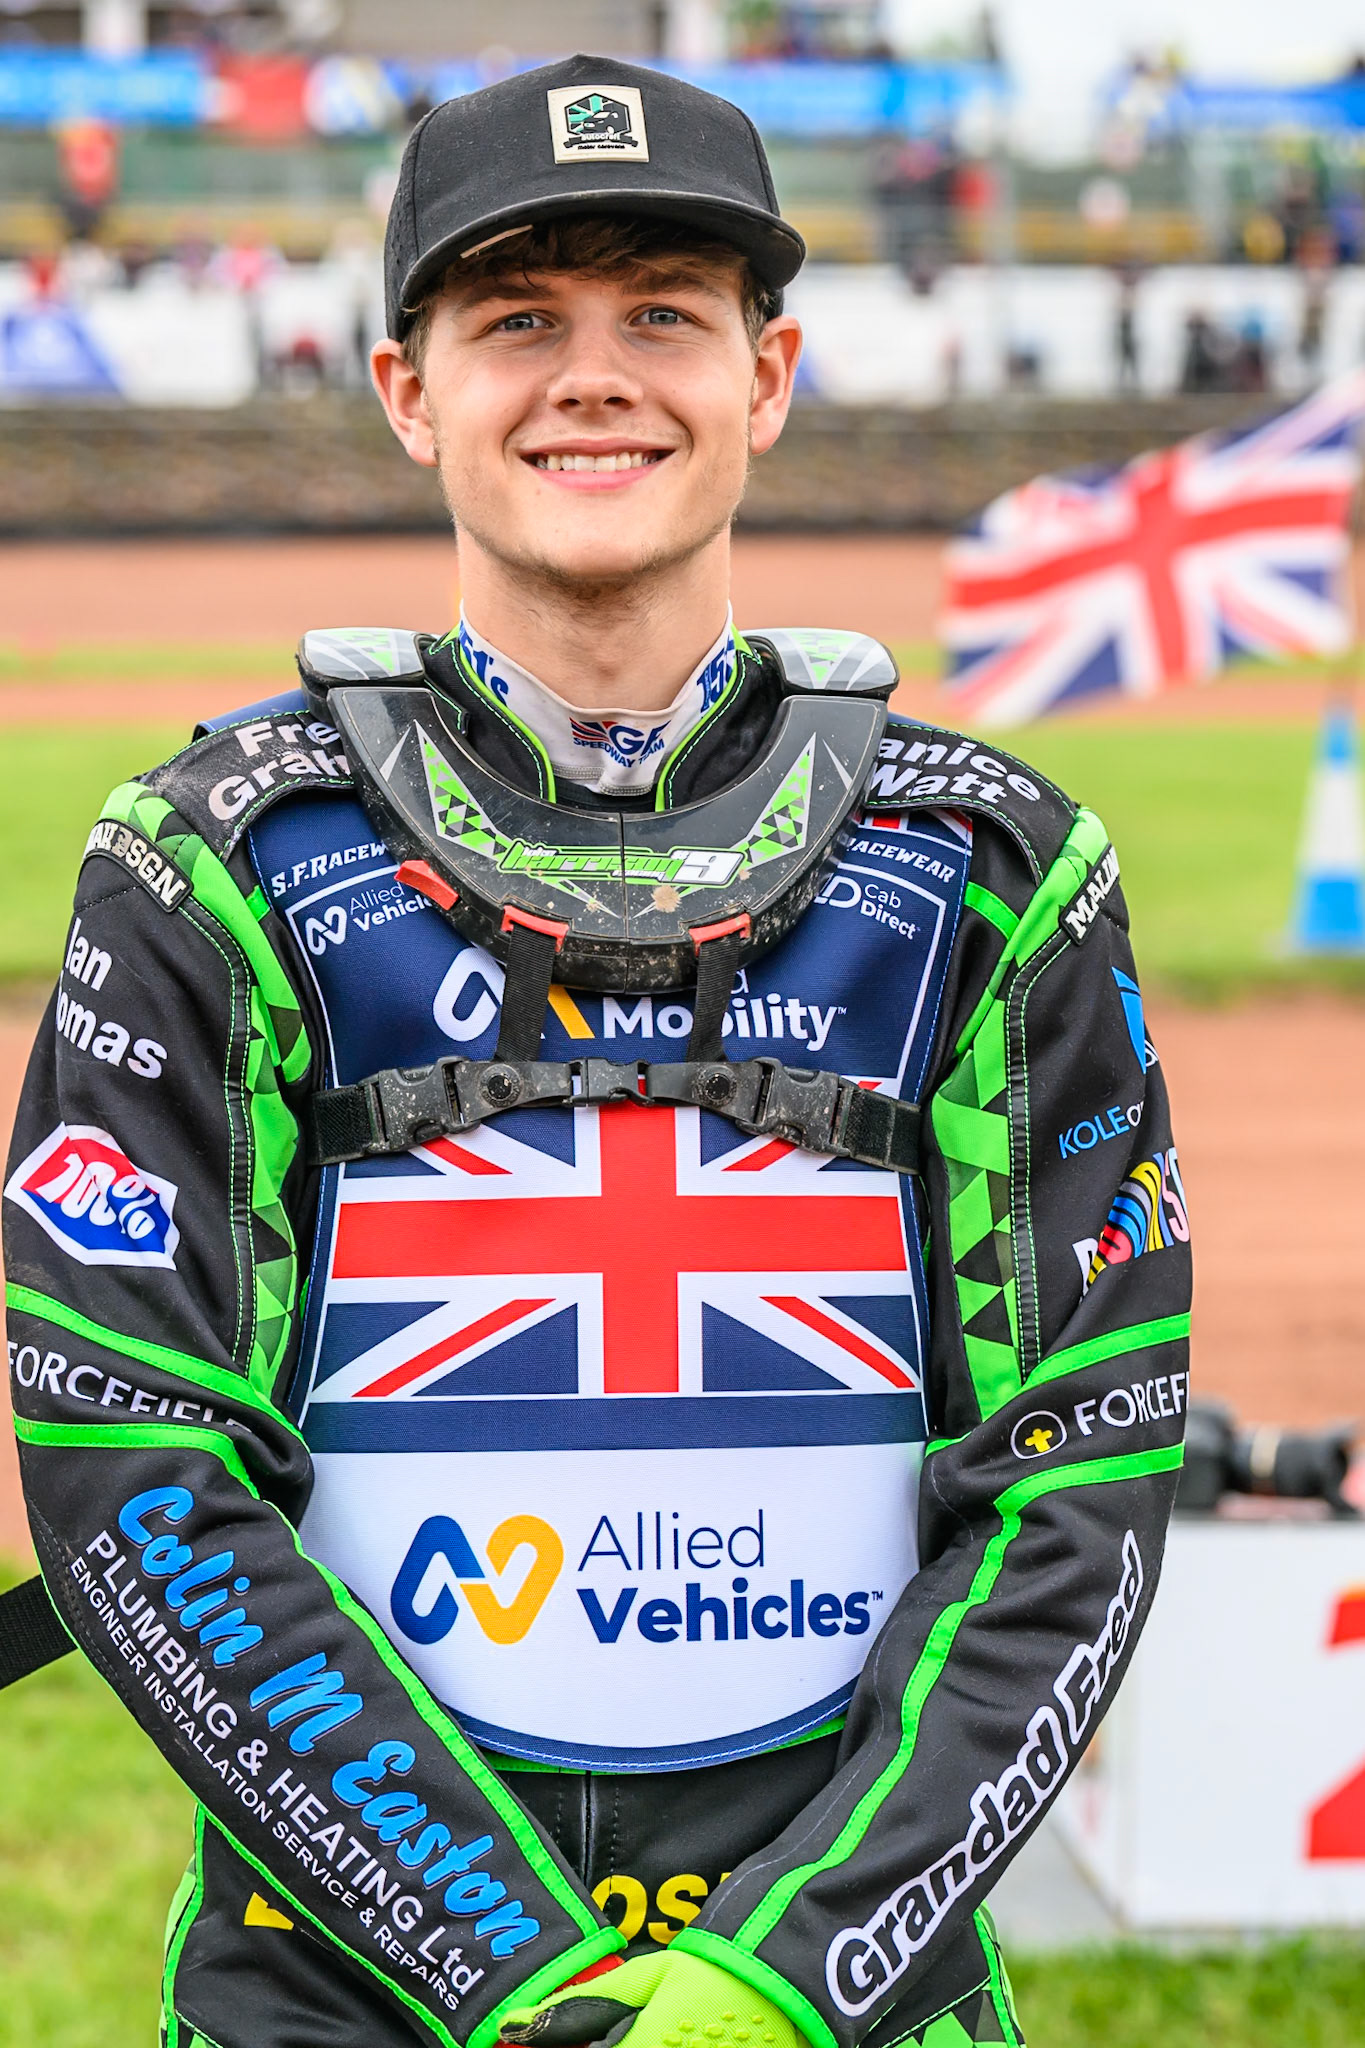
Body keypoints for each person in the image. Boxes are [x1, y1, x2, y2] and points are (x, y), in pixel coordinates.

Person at [3, 54, 1190, 2048]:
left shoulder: (993, 870)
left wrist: (783, 1981)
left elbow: (1079, 1487)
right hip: (337, 1995)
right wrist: (521, 1979)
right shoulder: (209, 862)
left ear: (768, 376)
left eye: (660, 314)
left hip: (847, 1998)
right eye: (515, 321)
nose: (592, 378)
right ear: (407, 391)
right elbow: (133, 1470)